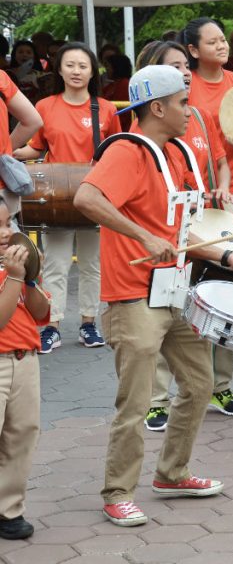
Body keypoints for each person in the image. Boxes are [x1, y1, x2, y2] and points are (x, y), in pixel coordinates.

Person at [74, 64, 233, 527]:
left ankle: (172, 472)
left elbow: (178, 230)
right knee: (135, 402)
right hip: (133, 296)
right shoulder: (126, 152)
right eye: (182, 102)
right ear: (157, 107)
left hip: (175, 288)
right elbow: (86, 198)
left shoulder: (176, 152)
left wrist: (227, 256)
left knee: (198, 385)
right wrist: (140, 236)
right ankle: (118, 492)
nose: (189, 110)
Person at [127, 40, 233, 431]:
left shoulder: (198, 115)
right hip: (167, 241)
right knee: (167, 316)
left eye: (185, 66)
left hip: (202, 223)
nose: (185, 73)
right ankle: (157, 400)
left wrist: (220, 191)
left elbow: (220, 163)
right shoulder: (140, 133)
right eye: (175, 67)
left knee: (216, 306)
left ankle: (218, 387)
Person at [13, 42, 121, 355]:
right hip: (57, 199)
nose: (76, 71)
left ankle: (89, 322)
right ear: (59, 69)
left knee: (92, 264)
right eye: (70, 65)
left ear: (92, 71)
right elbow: (37, 147)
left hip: (95, 195)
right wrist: (10, 152)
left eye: (82, 65)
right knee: (57, 265)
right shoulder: (45, 106)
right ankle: (53, 325)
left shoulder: (107, 109)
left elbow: (116, 151)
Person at [0, 90, 47, 543]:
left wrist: (29, 279)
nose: (5, 233)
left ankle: (8, 508)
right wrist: (14, 278)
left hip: (25, 355)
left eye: (7, 225)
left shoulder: (17, 257)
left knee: (23, 431)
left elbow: (42, 312)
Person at [179, 17, 233, 211]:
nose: (221, 46)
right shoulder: (185, 85)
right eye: (212, 43)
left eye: (223, 40)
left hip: (232, 183)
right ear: (194, 50)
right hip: (192, 184)